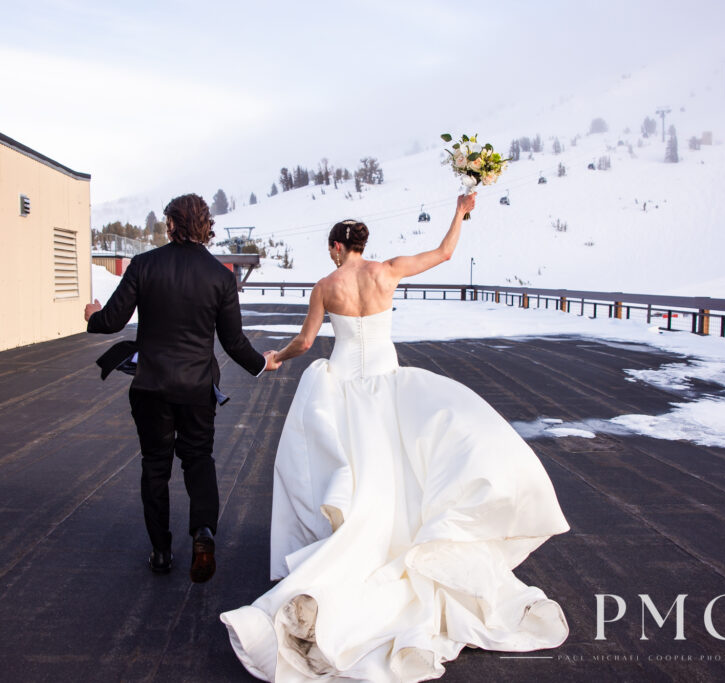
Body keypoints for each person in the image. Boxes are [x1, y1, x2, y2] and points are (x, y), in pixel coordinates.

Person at [220, 193, 571, 681]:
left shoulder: (326, 285)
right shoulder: (389, 271)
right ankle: (399, 537)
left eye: (330, 247)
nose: (330, 255)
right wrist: (460, 212)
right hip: (388, 383)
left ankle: (336, 543)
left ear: (340, 246)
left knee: (340, 470)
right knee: (402, 468)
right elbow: (445, 254)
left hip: (343, 386)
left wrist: (277, 357)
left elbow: (305, 341)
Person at [85, 194, 280, 583]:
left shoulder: (144, 265)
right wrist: (262, 363)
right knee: (198, 461)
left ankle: (160, 552)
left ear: (171, 224)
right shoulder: (221, 276)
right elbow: (233, 342)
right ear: (205, 225)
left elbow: (110, 321)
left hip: (151, 387)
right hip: (196, 389)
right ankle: (203, 532)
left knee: (155, 467)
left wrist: (92, 316)